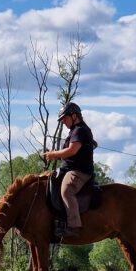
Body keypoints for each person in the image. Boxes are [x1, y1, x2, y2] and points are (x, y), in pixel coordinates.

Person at [43, 101, 95, 237]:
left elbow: (72, 150)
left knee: (66, 190)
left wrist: (54, 154)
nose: (63, 122)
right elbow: (70, 154)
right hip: (70, 169)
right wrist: (57, 155)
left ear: (74, 116)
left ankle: (74, 226)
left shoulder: (80, 130)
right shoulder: (74, 131)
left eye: (64, 118)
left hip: (79, 171)